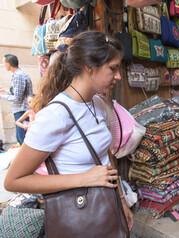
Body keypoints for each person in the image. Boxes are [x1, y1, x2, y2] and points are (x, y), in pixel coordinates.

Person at [4, 31, 133, 230]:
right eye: (113, 68)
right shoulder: (55, 115)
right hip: (79, 219)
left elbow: (106, 158)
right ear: (89, 67)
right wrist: (83, 178)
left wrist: (122, 201)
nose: (118, 76)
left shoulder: (97, 103)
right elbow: (13, 181)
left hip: (106, 208)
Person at [1, 54, 33, 145]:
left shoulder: (18, 76)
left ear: (9, 64)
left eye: (4, 63)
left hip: (21, 110)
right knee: (22, 139)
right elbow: (18, 93)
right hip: (21, 109)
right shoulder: (19, 74)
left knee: (22, 139)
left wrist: (1, 96)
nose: (3, 65)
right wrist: (5, 90)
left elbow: (17, 98)